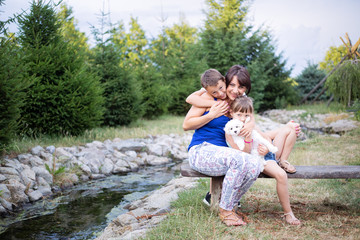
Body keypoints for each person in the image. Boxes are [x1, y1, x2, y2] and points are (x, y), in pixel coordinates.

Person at [183, 68, 262, 226]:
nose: (234, 89)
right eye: (231, 85)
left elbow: (250, 117)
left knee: (255, 165)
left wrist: (251, 124)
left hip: (223, 153)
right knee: (239, 159)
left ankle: (231, 205)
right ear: (226, 82)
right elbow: (186, 124)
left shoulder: (237, 100)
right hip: (201, 150)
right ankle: (225, 212)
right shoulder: (208, 97)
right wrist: (211, 114)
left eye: (239, 86)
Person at [226, 96, 301, 225]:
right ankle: (288, 213)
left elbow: (265, 137)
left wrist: (266, 147)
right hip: (258, 159)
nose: (243, 119)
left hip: (267, 152)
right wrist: (248, 138)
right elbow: (244, 154)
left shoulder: (249, 125)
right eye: (239, 115)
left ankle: (283, 160)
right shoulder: (230, 131)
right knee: (282, 175)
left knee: (292, 128)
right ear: (231, 113)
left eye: (247, 115)